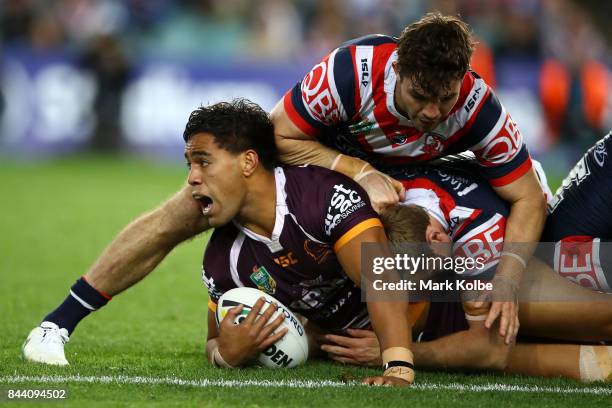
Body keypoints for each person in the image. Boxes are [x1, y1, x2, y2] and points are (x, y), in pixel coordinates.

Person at [23, 99, 415, 387]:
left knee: (478, 344)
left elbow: (382, 280)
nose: (192, 178)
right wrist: (227, 355)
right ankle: (57, 323)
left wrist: (396, 364)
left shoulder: (323, 198)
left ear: (247, 163)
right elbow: (214, 342)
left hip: (437, 310)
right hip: (361, 339)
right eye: (189, 164)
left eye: (204, 162)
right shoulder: (222, 260)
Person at [270, 12, 547, 344]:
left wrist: (508, 279)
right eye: (419, 96)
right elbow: (277, 137)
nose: (432, 112)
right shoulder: (351, 73)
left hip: (408, 187)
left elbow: (529, 196)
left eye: (445, 98)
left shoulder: (477, 108)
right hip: (327, 175)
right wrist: (360, 172)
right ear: (397, 70)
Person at [320, 133, 612, 381]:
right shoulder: (382, 195)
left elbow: (493, 352)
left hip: (547, 225)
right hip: (553, 215)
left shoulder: (477, 244)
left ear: (437, 239)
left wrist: (398, 351)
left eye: (427, 281)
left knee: (586, 305)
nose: (425, 292)